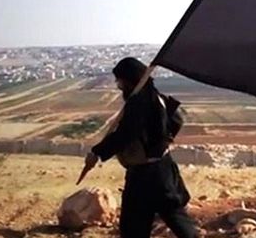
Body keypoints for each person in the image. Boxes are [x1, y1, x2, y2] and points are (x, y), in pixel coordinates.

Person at [83, 57, 199, 238]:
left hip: (144, 175)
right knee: (175, 215)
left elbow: (125, 134)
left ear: (129, 79)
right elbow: (176, 121)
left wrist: (97, 151)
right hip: (164, 169)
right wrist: (160, 143)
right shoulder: (156, 97)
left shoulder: (140, 102)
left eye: (120, 80)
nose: (118, 85)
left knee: (133, 226)